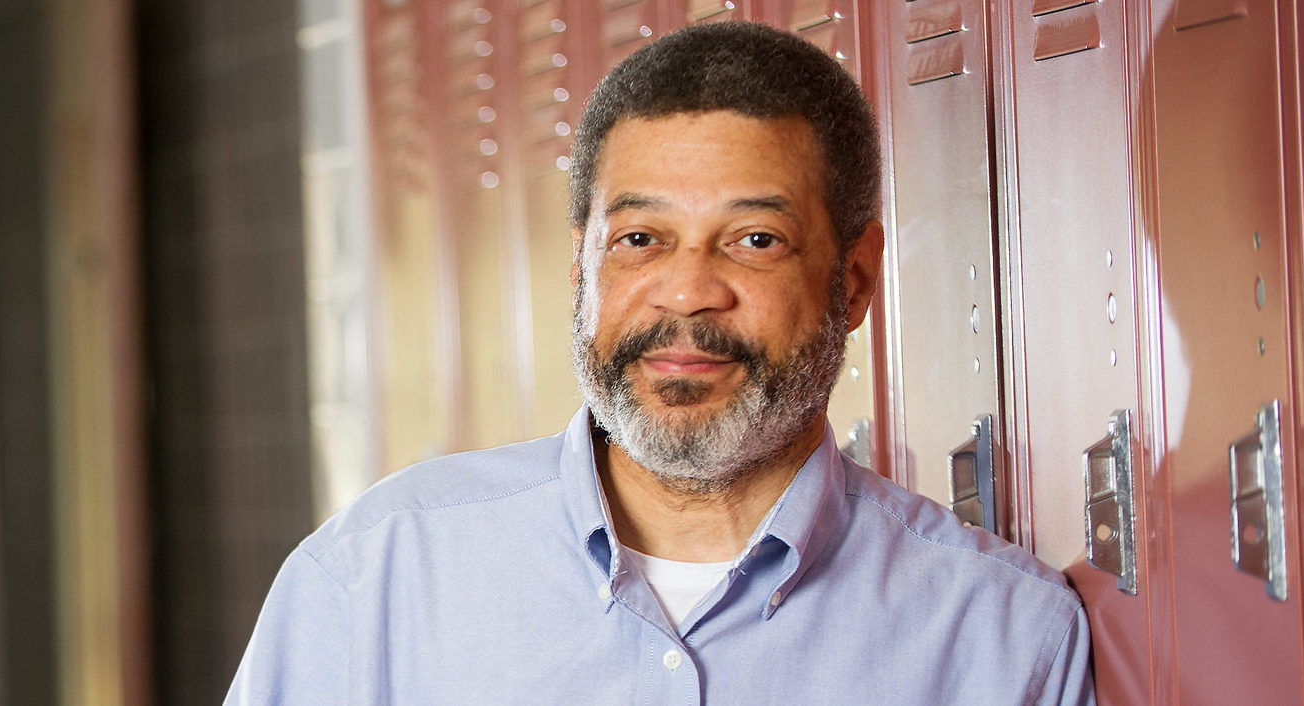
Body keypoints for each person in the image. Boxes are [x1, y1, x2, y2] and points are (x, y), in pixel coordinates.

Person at [224, 22, 1091, 704]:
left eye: (755, 240)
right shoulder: (375, 575)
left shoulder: (1005, 635)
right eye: (640, 240)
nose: (686, 293)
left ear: (854, 281)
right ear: (583, 271)